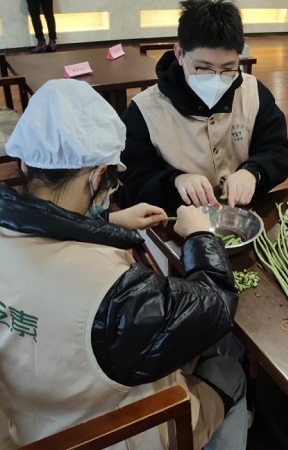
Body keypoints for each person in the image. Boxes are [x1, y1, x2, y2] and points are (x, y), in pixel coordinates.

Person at [0, 78, 246, 450]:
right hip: (121, 429)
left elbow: (45, 231)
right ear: (98, 176)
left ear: (24, 162)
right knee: (229, 371)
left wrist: (108, 221)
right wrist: (200, 236)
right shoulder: (111, 291)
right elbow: (215, 304)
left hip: (31, 427)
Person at [116, 0, 288, 212]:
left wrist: (253, 172)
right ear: (180, 54)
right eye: (203, 68)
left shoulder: (253, 92)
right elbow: (128, 186)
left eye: (228, 67)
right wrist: (175, 181)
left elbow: (280, 151)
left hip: (241, 214)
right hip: (177, 220)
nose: (216, 80)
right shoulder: (144, 111)